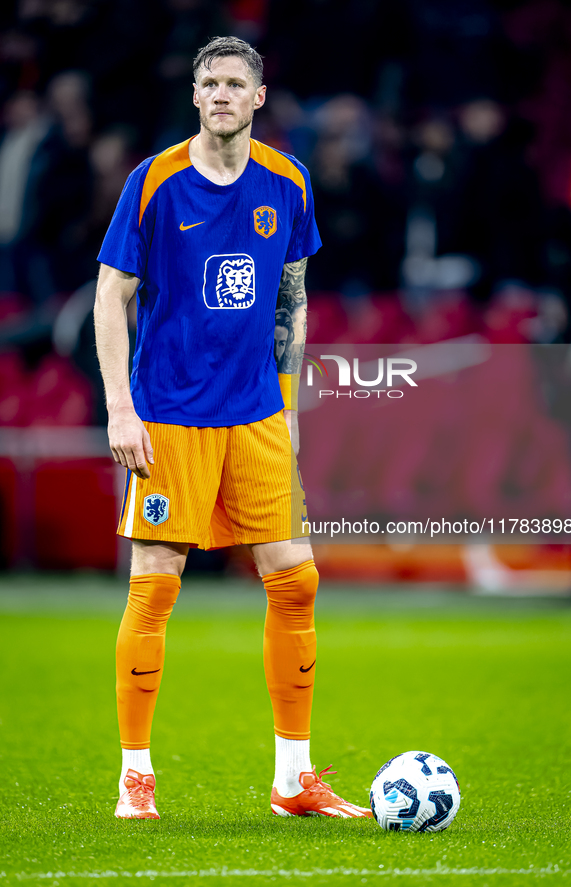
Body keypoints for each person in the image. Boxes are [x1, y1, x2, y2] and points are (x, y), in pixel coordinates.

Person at [94, 36, 371, 821]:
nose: (220, 93)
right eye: (208, 82)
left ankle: (293, 777)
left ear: (257, 97)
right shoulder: (154, 181)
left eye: (233, 83)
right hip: (169, 414)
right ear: (194, 97)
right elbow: (110, 295)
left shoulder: (288, 181)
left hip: (254, 413)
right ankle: (135, 776)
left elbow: (294, 296)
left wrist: (287, 403)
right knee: (154, 587)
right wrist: (119, 407)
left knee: (298, 579)